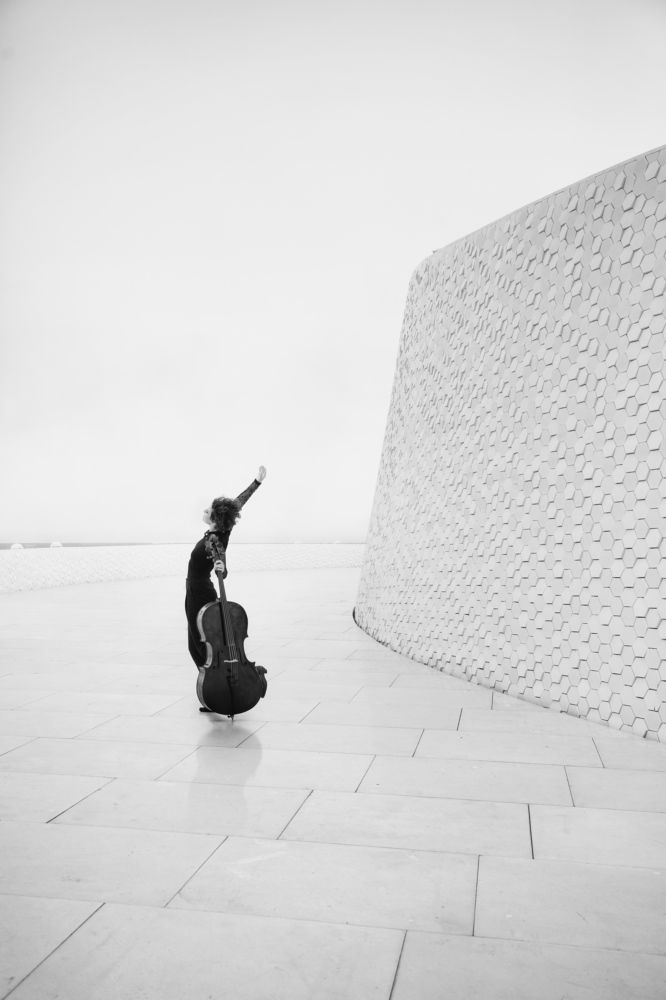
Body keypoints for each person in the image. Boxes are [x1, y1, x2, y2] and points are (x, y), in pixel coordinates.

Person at [185, 466, 267, 675]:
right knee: (196, 643)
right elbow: (238, 503)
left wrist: (222, 567)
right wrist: (256, 483)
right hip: (194, 590)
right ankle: (215, 680)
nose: (204, 511)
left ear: (215, 518)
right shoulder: (221, 529)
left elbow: (222, 566)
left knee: (199, 644)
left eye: (207, 511)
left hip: (199, 592)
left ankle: (216, 681)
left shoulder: (219, 538)